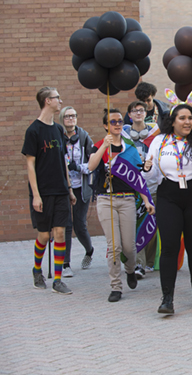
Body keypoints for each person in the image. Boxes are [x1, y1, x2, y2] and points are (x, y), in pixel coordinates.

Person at [144, 104, 192, 314]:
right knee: (169, 247)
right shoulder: (160, 141)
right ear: (173, 121)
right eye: (182, 118)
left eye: (190, 118)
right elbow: (150, 176)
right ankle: (167, 298)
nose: (187, 122)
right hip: (169, 196)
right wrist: (147, 169)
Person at [88, 108, 155, 303]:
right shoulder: (99, 145)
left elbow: (138, 177)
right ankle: (115, 286)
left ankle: (130, 270)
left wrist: (146, 200)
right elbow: (91, 167)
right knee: (114, 246)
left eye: (119, 121)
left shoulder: (129, 148)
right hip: (105, 199)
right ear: (105, 126)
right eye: (112, 122)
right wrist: (103, 148)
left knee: (129, 247)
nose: (117, 125)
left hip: (127, 200)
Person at [23, 87, 76, 295]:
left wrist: (70, 188)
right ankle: (37, 270)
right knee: (44, 235)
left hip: (61, 190)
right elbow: (30, 165)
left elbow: (63, 160)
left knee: (60, 233)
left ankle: (58, 280)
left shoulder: (58, 130)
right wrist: (35, 195)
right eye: (57, 98)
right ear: (47, 101)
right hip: (42, 192)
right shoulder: (33, 131)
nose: (60, 101)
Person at [123, 101, 157, 279]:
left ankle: (150, 262)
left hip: (152, 186)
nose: (138, 113)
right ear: (129, 115)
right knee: (136, 224)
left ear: (146, 113)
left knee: (151, 224)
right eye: (134, 110)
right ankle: (139, 264)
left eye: (141, 110)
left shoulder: (156, 135)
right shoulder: (123, 136)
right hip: (132, 186)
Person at [59, 106, 94, 276]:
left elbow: (94, 162)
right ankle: (66, 264)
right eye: (67, 116)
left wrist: (79, 167)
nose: (71, 119)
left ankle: (89, 250)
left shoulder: (83, 136)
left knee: (80, 225)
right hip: (64, 188)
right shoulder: (58, 137)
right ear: (61, 119)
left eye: (73, 116)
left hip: (81, 187)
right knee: (66, 225)